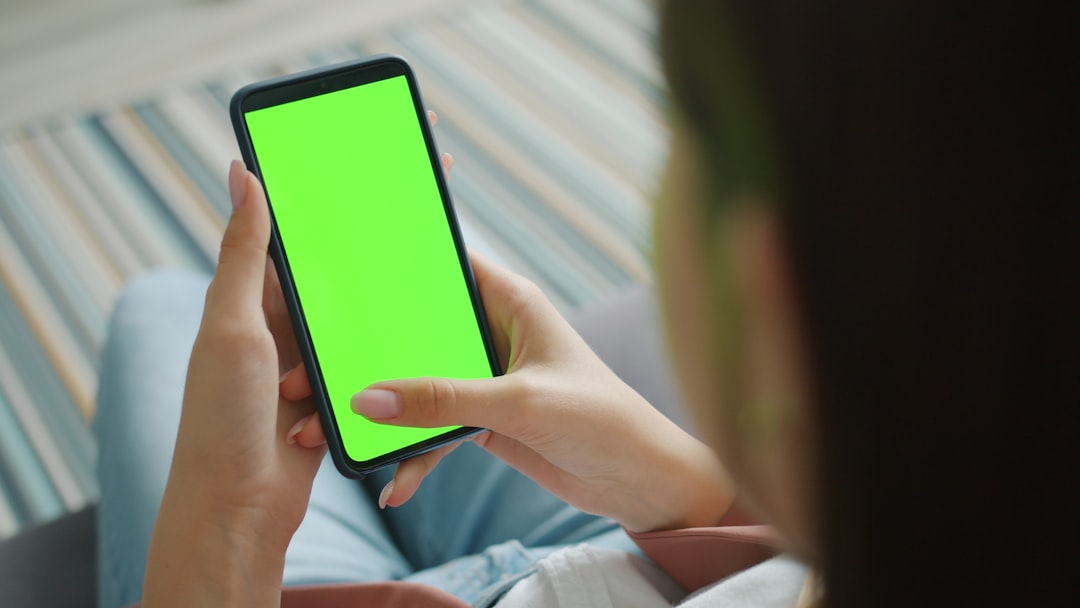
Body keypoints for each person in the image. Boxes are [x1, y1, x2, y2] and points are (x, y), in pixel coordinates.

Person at [94, 1, 1075, 607]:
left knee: (165, 305)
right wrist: (670, 481)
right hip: (670, 547)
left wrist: (225, 531)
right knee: (425, 261)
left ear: (763, 285)